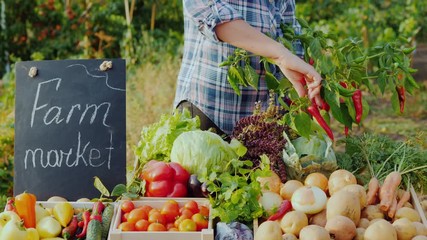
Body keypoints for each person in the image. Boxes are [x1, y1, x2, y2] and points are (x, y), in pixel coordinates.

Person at [174, 0, 323, 138]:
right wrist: (280, 55)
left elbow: (288, 28)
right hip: (211, 111)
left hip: (266, 123)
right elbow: (212, 14)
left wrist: (311, 79)